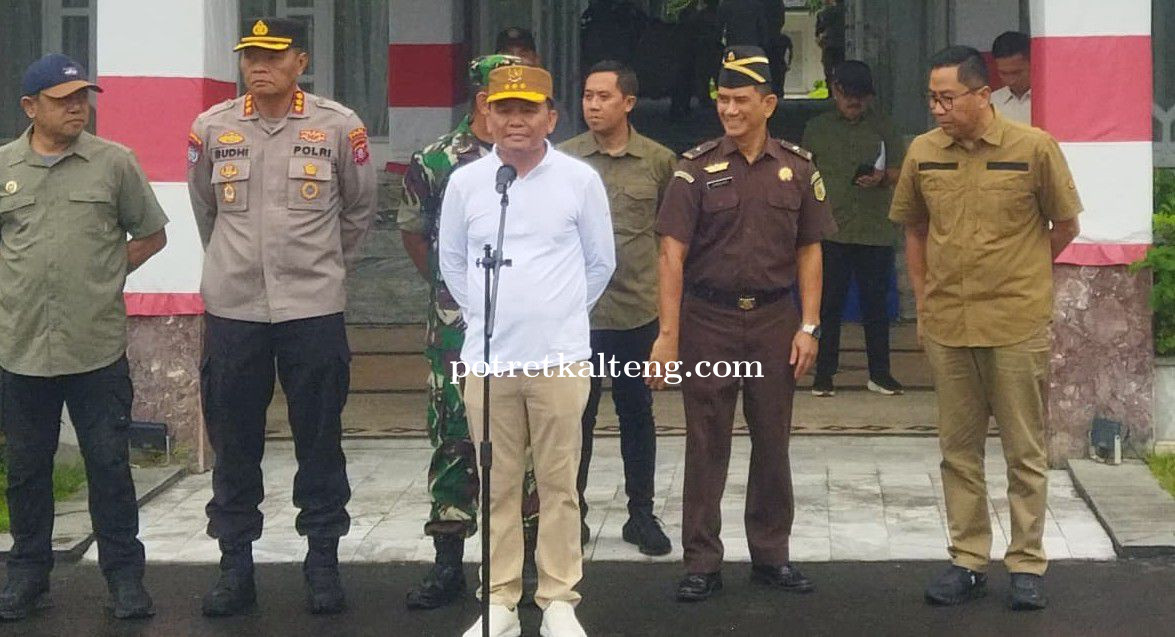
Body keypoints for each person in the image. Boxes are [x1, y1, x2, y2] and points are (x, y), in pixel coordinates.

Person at [187, 17, 377, 617]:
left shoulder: (338, 126)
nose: (257, 64)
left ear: (300, 62)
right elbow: (205, 210)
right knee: (234, 441)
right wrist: (234, 266)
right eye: (249, 54)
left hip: (312, 309)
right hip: (235, 311)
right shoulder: (213, 127)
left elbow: (358, 211)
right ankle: (235, 567)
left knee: (319, 439)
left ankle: (322, 561)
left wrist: (318, 268)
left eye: (272, 54)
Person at [889, 46, 1081, 611]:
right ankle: (968, 560)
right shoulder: (923, 153)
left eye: (948, 98)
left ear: (982, 94)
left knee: (1025, 449)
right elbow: (915, 232)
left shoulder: (1034, 148)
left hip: (1016, 322)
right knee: (959, 450)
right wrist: (924, 303)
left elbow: (1065, 224)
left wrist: (1022, 269)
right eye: (932, 99)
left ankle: (1026, 563)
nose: (939, 109)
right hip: (949, 324)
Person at [650, 45, 835, 603]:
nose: (728, 110)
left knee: (773, 442)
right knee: (706, 443)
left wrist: (810, 326)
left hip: (776, 321)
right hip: (709, 320)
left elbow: (810, 251)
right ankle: (702, 560)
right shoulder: (693, 169)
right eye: (722, 100)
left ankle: (771, 553)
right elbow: (670, 256)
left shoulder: (798, 168)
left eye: (740, 100)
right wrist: (668, 335)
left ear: (769, 103)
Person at [439, 64, 614, 637]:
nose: (516, 120)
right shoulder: (466, 183)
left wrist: (556, 314)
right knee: (498, 484)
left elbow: (600, 263)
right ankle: (500, 601)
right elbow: (454, 264)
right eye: (505, 109)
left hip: (559, 358)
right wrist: (488, 318)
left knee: (561, 483)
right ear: (486, 115)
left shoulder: (579, 180)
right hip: (488, 361)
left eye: (529, 109)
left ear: (551, 117)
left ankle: (560, 597)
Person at [0, 53, 168, 622]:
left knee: (108, 465)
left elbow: (151, 234)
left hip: (95, 347)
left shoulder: (113, 163)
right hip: (20, 349)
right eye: (63, 99)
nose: (78, 107)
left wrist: (103, 273)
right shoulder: (4, 167)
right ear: (30, 107)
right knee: (26, 469)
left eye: (83, 97)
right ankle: (27, 576)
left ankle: (125, 579)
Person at [398, 53, 543, 611]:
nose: (515, 109)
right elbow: (417, 238)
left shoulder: (539, 158)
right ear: (483, 99)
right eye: (505, 97)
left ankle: (523, 569)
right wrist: (454, 293)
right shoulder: (437, 160)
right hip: (458, 332)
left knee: (525, 446)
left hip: (526, 328)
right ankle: (448, 566)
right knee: (455, 440)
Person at [558, 60, 677, 555]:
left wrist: (672, 323)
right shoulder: (562, 160)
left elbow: (673, 241)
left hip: (635, 311)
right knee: (573, 418)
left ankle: (641, 514)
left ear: (628, 102)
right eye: (587, 96)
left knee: (637, 415)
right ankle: (572, 514)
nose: (592, 105)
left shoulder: (659, 162)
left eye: (603, 96)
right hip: (575, 316)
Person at [801, 60, 904, 397]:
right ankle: (824, 374)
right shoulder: (817, 128)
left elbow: (902, 173)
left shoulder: (885, 126)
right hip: (831, 231)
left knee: (875, 306)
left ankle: (881, 373)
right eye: (848, 96)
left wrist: (882, 178)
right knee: (827, 306)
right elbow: (804, 174)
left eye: (861, 97)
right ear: (835, 91)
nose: (854, 103)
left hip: (874, 230)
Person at [494, 27, 578, 143]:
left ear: (536, 60)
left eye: (523, 54)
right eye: (508, 55)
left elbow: (562, 150)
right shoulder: (483, 101)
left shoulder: (549, 105)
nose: (515, 61)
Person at [990, 31, 1032, 124]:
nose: (1011, 81)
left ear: (1033, 64)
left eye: (1016, 72)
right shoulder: (991, 103)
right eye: (1003, 73)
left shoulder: (1052, 100)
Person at [815, 0, 845, 86]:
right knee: (837, 67)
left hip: (830, 44)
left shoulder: (823, 14)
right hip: (838, 45)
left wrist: (820, 40)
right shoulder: (844, 12)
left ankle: (831, 89)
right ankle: (836, 89)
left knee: (829, 68)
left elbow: (818, 32)